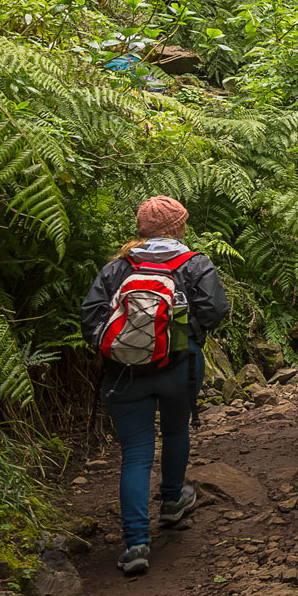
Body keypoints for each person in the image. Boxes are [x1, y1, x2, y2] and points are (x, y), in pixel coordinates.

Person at [80, 196, 229, 576]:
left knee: (135, 453)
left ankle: (135, 545)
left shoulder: (117, 268)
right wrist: (184, 336)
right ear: (179, 226)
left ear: (142, 229)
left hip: (123, 374)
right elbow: (215, 310)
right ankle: (172, 502)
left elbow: (91, 319)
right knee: (177, 429)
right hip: (180, 367)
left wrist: (125, 348)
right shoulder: (194, 263)